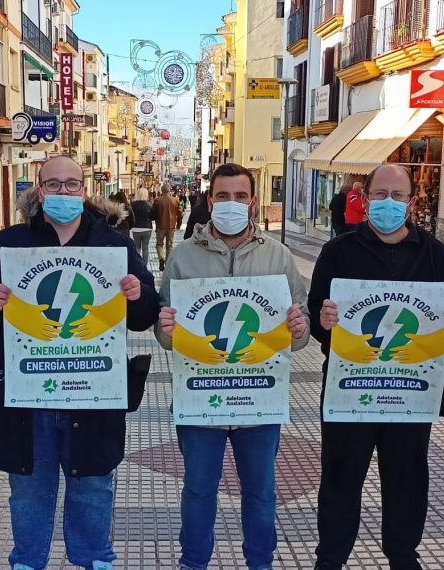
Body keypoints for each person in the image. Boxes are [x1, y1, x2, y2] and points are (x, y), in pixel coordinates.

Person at [0, 155, 160, 570]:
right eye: (53, 185)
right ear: (39, 189)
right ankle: (28, 562)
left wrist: (137, 294)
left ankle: (93, 560)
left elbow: (144, 316)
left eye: (72, 185)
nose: (63, 193)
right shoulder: (9, 243)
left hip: (93, 392)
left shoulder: (113, 245)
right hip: (26, 393)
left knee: (93, 485)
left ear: (85, 191)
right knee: (29, 488)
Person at [308, 164, 444, 570]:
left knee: (407, 481)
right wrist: (322, 320)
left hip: (412, 393)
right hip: (350, 391)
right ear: (364, 201)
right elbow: (317, 317)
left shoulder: (435, 255)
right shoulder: (338, 252)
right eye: (380, 194)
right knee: (340, 481)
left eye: (398, 196)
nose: (388, 203)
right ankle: (330, 560)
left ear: (412, 202)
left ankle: (403, 557)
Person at [156, 163, 310, 570]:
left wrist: (299, 326)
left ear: (253, 202)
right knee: (198, 490)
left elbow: (300, 335)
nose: (231, 204)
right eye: (223, 196)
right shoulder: (183, 256)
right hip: (200, 400)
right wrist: (164, 327)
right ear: (210, 202)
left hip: (259, 401)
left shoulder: (279, 256)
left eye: (240, 196)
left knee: (260, 492)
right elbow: (165, 333)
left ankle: (260, 563)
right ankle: (193, 562)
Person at [152, 185, 182, 270]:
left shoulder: (157, 200)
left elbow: (153, 213)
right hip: (171, 226)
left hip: (160, 225)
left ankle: (161, 258)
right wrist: (178, 224)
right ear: (169, 191)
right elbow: (180, 213)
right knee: (169, 245)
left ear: (162, 190)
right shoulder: (175, 200)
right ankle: (168, 263)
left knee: (159, 244)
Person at [130, 188, 154, 263]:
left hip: (136, 228)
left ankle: (137, 264)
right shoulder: (149, 205)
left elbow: (130, 216)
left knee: (137, 247)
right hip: (147, 228)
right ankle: (144, 265)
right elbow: (153, 216)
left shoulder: (132, 205)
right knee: (145, 248)